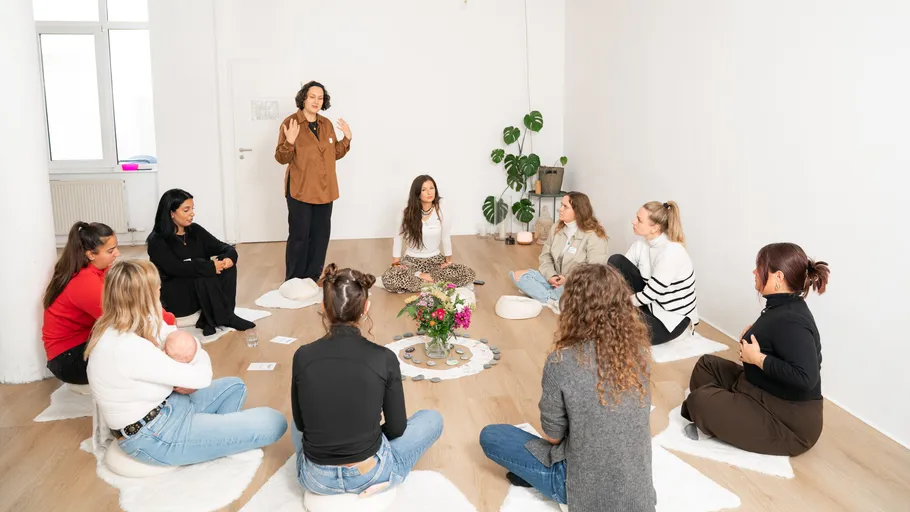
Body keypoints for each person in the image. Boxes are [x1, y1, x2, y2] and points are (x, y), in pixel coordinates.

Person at [480, 264, 656, 511]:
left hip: (577, 486)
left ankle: (539, 479)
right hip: (637, 493)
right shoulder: (638, 354)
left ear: (572, 306)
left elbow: (553, 436)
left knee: (492, 435)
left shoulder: (561, 361)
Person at [86, 259, 287, 466]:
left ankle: (218, 437)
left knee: (235, 386)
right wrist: (194, 354)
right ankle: (219, 439)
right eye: (158, 289)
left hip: (168, 406)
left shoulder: (128, 323)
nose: (160, 294)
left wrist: (190, 352)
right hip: (153, 435)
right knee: (274, 422)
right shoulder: (128, 347)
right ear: (147, 296)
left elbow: (179, 340)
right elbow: (201, 376)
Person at [290, 263, 443, 495]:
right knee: (432, 419)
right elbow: (397, 427)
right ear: (366, 308)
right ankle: (390, 477)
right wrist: (363, 436)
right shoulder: (384, 357)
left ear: (323, 306)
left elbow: (301, 425)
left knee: (295, 422)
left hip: (316, 479)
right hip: (369, 472)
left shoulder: (302, 355)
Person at [680, 243, 829, 456]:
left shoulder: (793, 321)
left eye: (759, 268)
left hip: (788, 421)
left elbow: (806, 378)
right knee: (707, 365)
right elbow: (777, 342)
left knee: (699, 401)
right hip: (759, 388)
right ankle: (727, 411)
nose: (754, 272)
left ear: (778, 278)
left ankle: (720, 412)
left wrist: (758, 359)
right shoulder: (782, 305)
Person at [147, 189, 254, 337]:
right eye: (186, 210)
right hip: (176, 296)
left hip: (199, 289)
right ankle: (214, 318)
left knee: (225, 267)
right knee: (201, 267)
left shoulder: (194, 231)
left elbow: (225, 247)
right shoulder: (157, 241)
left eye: (192, 208)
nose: (192, 213)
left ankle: (226, 315)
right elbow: (176, 269)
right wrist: (210, 266)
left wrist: (228, 258)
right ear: (171, 213)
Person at [275, 80, 352, 283]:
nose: (316, 101)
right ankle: (293, 279)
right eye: (312, 97)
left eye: (320, 98)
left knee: (320, 237)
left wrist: (346, 139)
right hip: (300, 189)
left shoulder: (326, 124)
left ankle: (311, 277)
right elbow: (281, 158)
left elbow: (333, 153)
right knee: (300, 237)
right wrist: (290, 141)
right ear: (303, 98)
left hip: (325, 190)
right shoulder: (290, 123)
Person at [41, 222, 122, 387]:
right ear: (91, 254)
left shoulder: (99, 271)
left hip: (83, 344)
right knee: (133, 348)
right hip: (67, 360)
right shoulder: (85, 281)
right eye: (110, 250)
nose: (117, 254)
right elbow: (119, 319)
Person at [608, 201, 698, 345]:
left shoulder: (672, 252)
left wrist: (618, 304)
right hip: (651, 305)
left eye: (639, 219)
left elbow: (649, 295)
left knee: (619, 330)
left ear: (654, 228)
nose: (633, 221)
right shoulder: (641, 245)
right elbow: (616, 278)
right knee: (616, 260)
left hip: (672, 318)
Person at [510, 192, 609, 313]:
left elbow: (594, 271)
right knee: (518, 276)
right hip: (554, 279)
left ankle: (545, 296)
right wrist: (551, 276)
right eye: (561, 205)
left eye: (565, 207)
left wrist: (567, 279)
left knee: (575, 291)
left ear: (578, 211)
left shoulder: (594, 235)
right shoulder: (556, 227)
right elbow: (545, 256)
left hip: (577, 284)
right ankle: (553, 301)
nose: (560, 209)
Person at [380, 175, 476, 292]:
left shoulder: (442, 210)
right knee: (389, 278)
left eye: (432, 188)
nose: (429, 192)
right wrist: (396, 263)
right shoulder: (406, 211)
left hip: (435, 261)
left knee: (467, 273)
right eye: (424, 190)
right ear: (417, 193)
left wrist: (448, 262)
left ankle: (424, 281)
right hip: (411, 261)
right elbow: (398, 237)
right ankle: (431, 280)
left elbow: (446, 237)